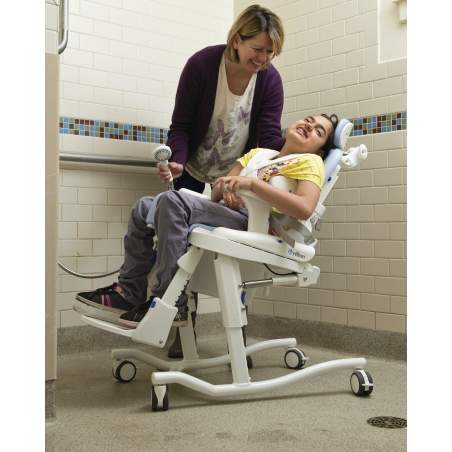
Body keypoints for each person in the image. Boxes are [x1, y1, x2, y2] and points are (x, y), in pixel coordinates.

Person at [75, 4, 286, 357]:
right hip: (194, 172)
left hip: (236, 182)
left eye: (270, 52)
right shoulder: (202, 65)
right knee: (178, 240)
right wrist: (178, 161)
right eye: (258, 49)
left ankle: (231, 333)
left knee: (229, 255)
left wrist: (249, 182)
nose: (263, 59)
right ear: (237, 39)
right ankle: (176, 325)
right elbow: (182, 125)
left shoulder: (269, 81)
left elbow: (267, 141)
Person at [75, 114, 338, 330]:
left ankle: (169, 302)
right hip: (226, 211)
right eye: (308, 120)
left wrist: (252, 185)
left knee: (172, 202)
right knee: (144, 207)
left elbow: (304, 208)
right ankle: (129, 292)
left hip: (254, 224)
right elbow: (218, 190)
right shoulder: (259, 154)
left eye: (319, 131)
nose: (309, 126)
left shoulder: (310, 162)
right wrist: (226, 189)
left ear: (320, 149)